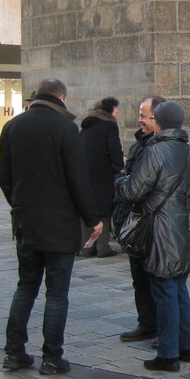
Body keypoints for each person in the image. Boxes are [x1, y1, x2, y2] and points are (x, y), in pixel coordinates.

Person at [0, 79, 102, 375]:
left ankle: (14, 352)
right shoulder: (66, 128)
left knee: (25, 287)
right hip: (59, 223)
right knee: (56, 294)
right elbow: (78, 179)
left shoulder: (13, 126)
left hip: (26, 222)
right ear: (62, 97)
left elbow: (4, 175)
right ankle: (52, 358)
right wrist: (92, 219)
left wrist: (19, 204)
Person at [117, 100, 190, 371]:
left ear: (160, 122)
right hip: (185, 227)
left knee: (164, 289)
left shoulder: (156, 151)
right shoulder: (189, 151)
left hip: (161, 228)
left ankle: (168, 354)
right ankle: (187, 346)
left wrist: (120, 181)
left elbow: (133, 192)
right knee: (178, 288)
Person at [116, 95, 166, 342]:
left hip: (154, 223)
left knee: (158, 280)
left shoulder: (162, 148)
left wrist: (123, 183)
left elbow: (140, 187)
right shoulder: (140, 144)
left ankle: (164, 329)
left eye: (144, 115)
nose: (140, 120)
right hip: (135, 221)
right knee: (140, 278)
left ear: (159, 118)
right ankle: (147, 323)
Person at [78, 96, 124, 258]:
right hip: (103, 174)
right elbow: (114, 149)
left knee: (87, 209)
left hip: (85, 173)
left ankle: (87, 247)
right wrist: (119, 168)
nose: (117, 113)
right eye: (116, 110)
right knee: (104, 211)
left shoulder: (87, 125)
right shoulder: (109, 126)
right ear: (110, 110)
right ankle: (102, 247)